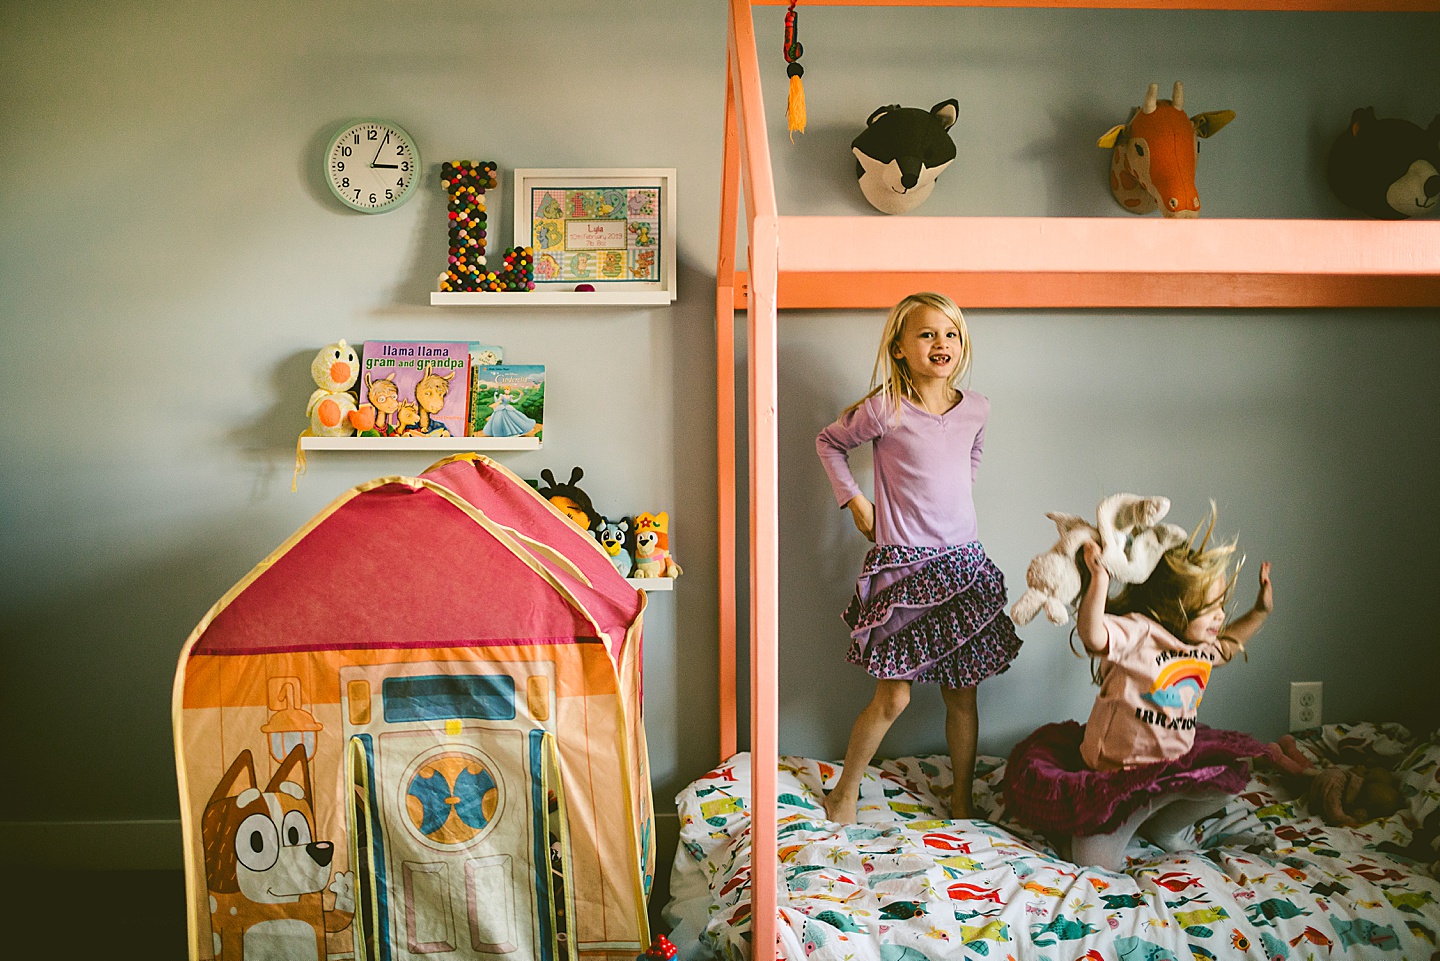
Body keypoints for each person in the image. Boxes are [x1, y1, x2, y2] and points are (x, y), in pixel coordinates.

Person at [815, 291, 1023, 823]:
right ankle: (845, 792)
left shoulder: (976, 407)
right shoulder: (885, 408)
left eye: (950, 334)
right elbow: (829, 442)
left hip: (963, 567)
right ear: (901, 347)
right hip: (906, 567)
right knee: (893, 698)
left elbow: (970, 454)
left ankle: (960, 799)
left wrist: (953, 496)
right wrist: (857, 501)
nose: (941, 344)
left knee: (962, 696)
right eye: (927, 334)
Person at [1003, 514, 1275, 871]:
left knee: (1222, 785)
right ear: (1173, 606)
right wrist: (1099, 581)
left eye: (1221, 607)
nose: (1219, 618)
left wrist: (1260, 611)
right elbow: (1094, 636)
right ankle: (1114, 827)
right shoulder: (1140, 632)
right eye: (1208, 609)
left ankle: (1161, 825)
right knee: (1095, 866)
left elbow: (1226, 648)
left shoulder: (1199, 645)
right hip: (1116, 778)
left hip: (1169, 771)